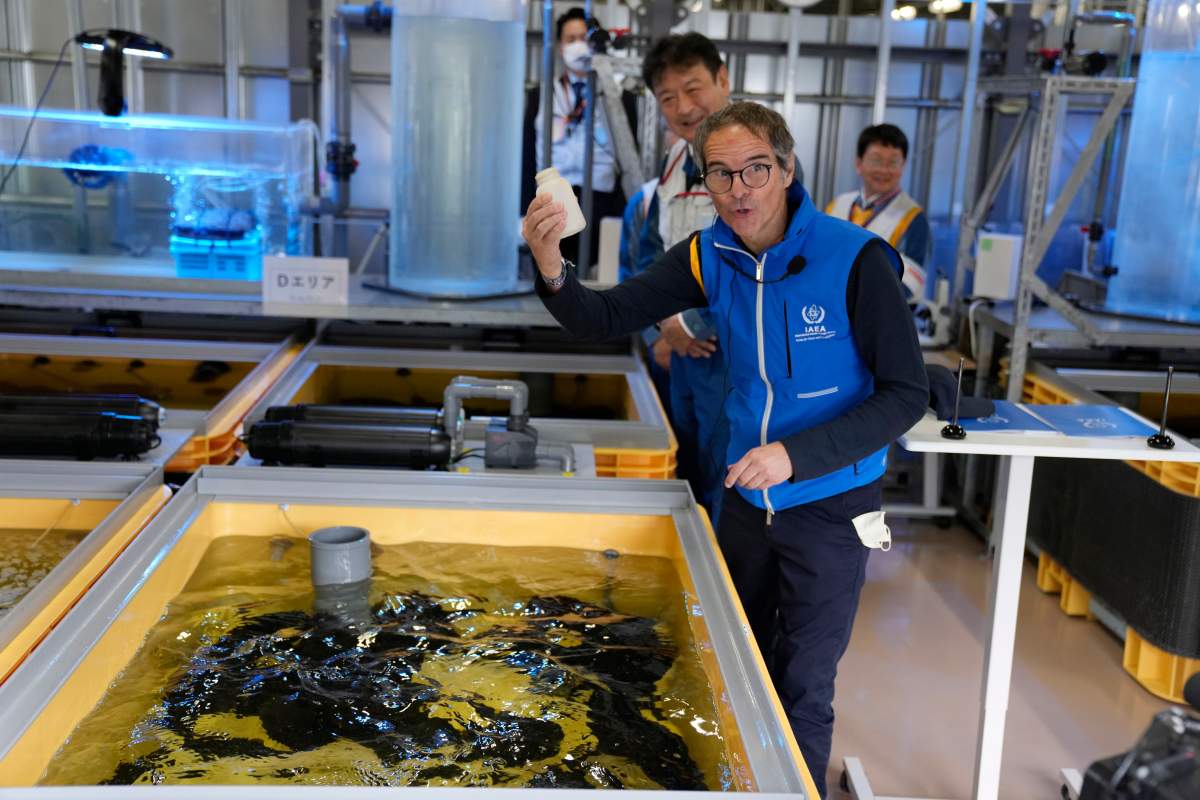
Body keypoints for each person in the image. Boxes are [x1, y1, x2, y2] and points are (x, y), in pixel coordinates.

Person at [525, 101, 928, 798]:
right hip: (746, 504)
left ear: (786, 168)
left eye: (756, 170)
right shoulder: (708, 254)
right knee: (735, 661)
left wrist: (796, 455)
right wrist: (550, 265)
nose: (740, 189)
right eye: (722, 174)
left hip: (832, 507)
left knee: (804, 683)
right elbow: (609, 314)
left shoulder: (855, 258)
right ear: (704, 183)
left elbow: (904, 396)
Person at [618, 32, 733, 522]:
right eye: (668, 97)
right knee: (684, 477)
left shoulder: (763, 159)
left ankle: (728, 588)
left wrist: (693, 325)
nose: (683, 107)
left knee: (731, 482)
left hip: (736, 358)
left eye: (694, 88)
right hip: (677, 357)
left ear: (723, 81)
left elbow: (772, 263)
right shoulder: (672, 170)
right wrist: (658, 333)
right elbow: (647, 262)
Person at [533, 7, 626, 270]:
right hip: (553, 195)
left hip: (600, 197)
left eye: (583, 38)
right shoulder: (542, 95)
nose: (577, 46)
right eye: (570, 39)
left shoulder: (615, 95)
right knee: (553, 270)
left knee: (595, 272)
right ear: (560, 47)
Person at [826, 124, 931, 304]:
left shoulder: (912, 217)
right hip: (830, 310)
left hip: (880, 316)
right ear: (859, 164)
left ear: (903, 166)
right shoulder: (837, 205)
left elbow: (909, 283)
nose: (884, 170)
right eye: (876, 161)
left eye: (893, 162)